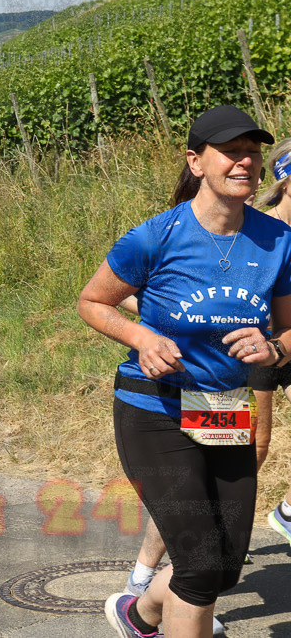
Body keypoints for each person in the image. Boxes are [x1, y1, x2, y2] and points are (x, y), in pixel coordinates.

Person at [78, 105, 291, 637]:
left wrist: (274, 350)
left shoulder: (278, 241)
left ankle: (139, 614)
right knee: (198, 565)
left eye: (253, 153)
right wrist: (142, 337)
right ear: (196, 162)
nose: (245, 162)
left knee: (224, 566)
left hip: (220, 406)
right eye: (231, 152)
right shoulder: (155, 236)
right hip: (154, 406)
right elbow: (93, 301)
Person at [246, 137, 291, 548]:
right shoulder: (261, 230)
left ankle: (287, 513)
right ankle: (226, 530)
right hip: (256, 347)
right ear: (285, 181)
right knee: (254, 446)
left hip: (290, 345)